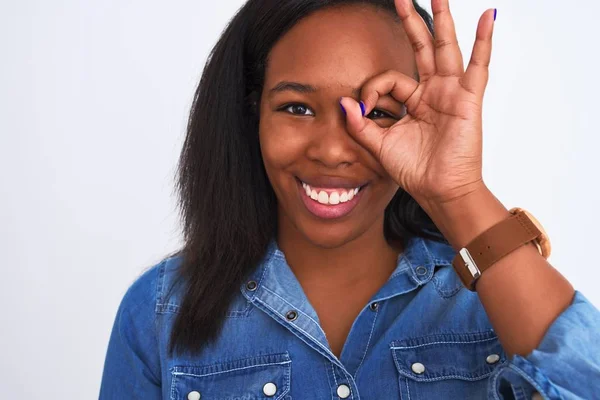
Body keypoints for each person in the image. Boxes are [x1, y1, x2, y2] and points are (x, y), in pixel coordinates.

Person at [99, 0, 600, 398]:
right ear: (251, 115)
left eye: (380, 113)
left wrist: (460, 192)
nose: (335, 150)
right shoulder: (158, 312)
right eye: (296, 107)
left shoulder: (492, 306)